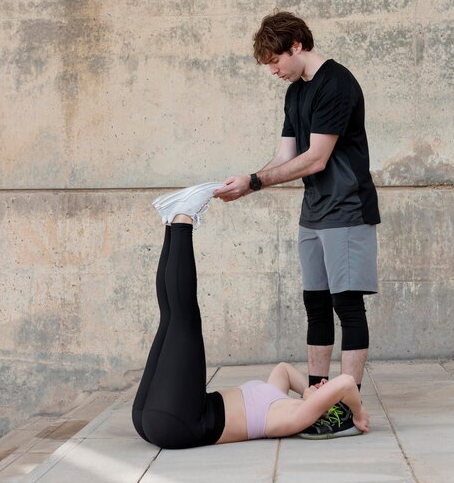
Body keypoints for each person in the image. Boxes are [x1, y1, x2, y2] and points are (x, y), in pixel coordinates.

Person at [214, 11, 380, 438]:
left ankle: (347, 404)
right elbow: (287, 157)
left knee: (347, 306)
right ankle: (318, 400)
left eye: (275, 61)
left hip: (346, 207)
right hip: (314, 208)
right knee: (316, 304)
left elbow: (317, 158)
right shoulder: (294, 95)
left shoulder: (336, 83)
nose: (272, 70)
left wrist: (256, 181)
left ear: (296, 46)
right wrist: (247, 183)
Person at [131, 184, 369, 449]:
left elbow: (346, 383)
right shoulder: (285, 399)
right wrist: (308, 389)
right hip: (154, 418)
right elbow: (284, 370)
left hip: (183, 423)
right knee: (170, 316)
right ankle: (171, 221)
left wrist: (357, 415)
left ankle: (183, 219)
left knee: (183, 319)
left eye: (325, 399)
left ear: (323, 410)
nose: (323, 387)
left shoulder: (296, 417)